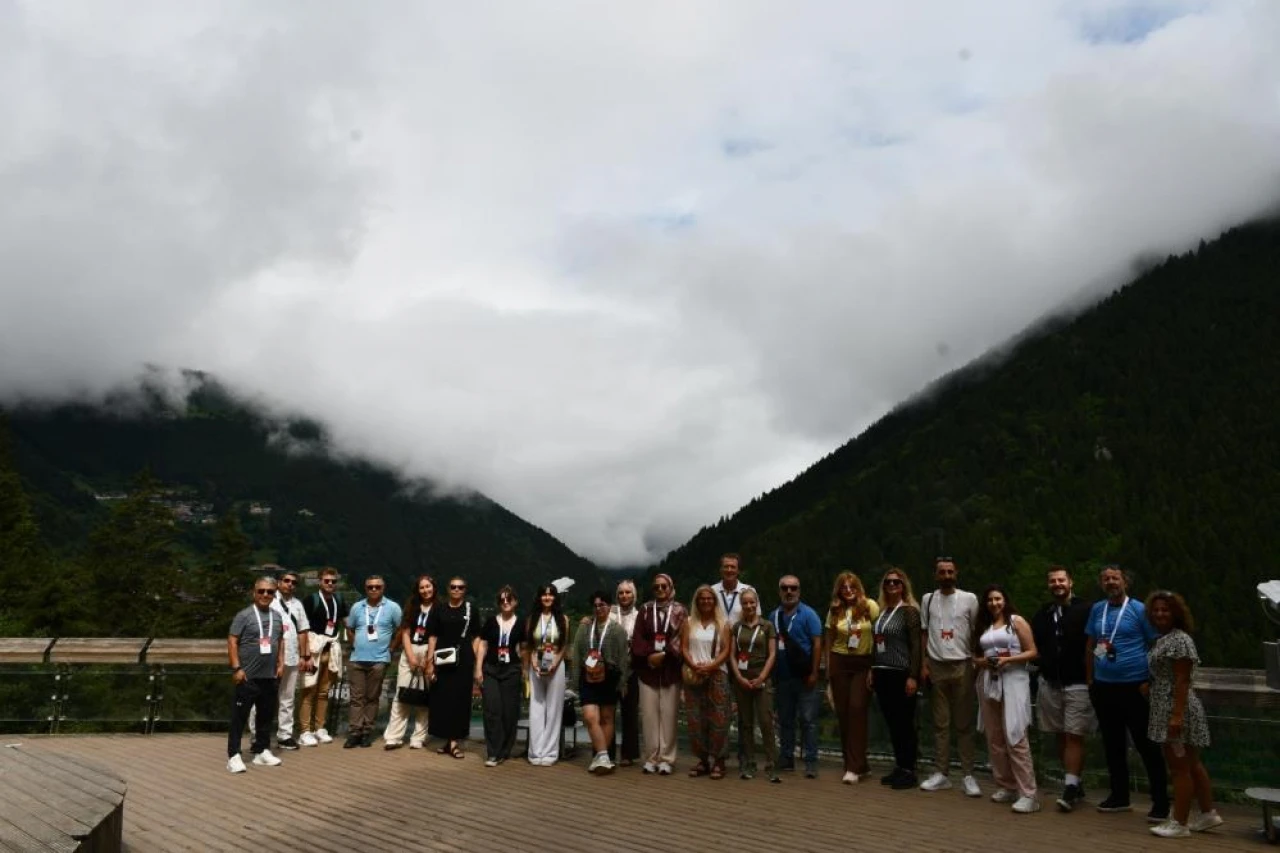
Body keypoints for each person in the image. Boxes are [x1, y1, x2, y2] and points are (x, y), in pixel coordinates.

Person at [1085, 565, 1170, 821]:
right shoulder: (1097, 609)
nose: (1111, 582)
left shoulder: (1138, 610)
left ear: (1125, 582)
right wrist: (1090, 679)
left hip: (1135, 686)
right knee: (1112, 744)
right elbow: (1093, 644)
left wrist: (1152, 680)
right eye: (1106, 579)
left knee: (1147, 745)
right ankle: (1119, 796)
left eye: (1115, 578)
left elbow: (1156, 643)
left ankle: (1161, 802)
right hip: (1104, 686)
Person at [1145, 591, 1223, 838]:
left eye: (1165, 610)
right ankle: (1208, 813)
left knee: (1179, 768)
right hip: (1168, 705)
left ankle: (1179, 822)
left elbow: (1182, 679)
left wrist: (1176, 717)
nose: (1159, 614)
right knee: (1192, 763)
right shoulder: (1165, 638)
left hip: (1175, 709)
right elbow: (1168, 674)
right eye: (1156, 610)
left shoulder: (1179, 640)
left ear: (1176, 612)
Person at [1030, 565, 1095, 811]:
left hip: (1077, 682)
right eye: (1052, 581)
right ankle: (1074, 782)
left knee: (1074, 734)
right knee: (1060, 733)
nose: (1057, 584)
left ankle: (1069, 788)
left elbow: (1096, 641)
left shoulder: (1086, 609)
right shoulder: (1044, 613)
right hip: (1051, 682)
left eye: (1061, 580)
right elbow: (1035, 643)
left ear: (1071, 582)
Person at [973, 584, 1040, 813]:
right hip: (989, 681)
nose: (994, 603)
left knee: (1015, 735)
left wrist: (1008, 660)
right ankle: (1006, 784)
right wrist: (986, 662)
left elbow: (1032, 651)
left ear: (1005, 600)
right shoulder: (984, 626)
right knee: (995, 737)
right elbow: (976, 657)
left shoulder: (1016, 621)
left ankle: (1028, 793)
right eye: (990, 599)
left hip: (1013, 680)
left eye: (998, 599)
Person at [919, 557, 981, 798]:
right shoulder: (928, 599)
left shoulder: (969, 599)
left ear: (957, 573)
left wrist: (975, 660)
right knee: (940, 724)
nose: (946, 576)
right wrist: (924, 662)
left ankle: (968, 775)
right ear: (936, 575)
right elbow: (925, 632)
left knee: (964, 724)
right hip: (936, 665)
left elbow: (976, 630)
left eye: (950, 572)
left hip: (963, 665)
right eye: (942, 572)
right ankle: (941, 773)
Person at [824, 571, 879, 784]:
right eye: (844, 587)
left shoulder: (870, 606)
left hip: (863, 662)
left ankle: (854, 767)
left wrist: (874, 666)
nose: (848, 591)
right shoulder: (834, 610)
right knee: (844, 713)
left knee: (857, 709)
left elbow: (879, 634)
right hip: (840, 661)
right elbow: (829, 640)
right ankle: (856, 764)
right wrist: (829, 672)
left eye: (852, 587)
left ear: (858, 588)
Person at [226, 577, 285, 773]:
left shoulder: (277, 616)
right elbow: (233, 640)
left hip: (269, 676)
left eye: (270, 592)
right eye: (261, 591)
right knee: (239, 718)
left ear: (274, 594)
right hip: (247, 675)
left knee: (266, 716)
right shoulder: (244, 616)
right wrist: (236, 668)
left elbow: (280, 640)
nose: (265, 595)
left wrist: (281, 663)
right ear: (254, 593)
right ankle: (233, 755)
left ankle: (262, 750)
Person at [870, 566, 922, 790]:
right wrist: (872, 670)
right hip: (882, 671)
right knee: (892, 722)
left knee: (905, 722)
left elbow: (916, 645)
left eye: (896, 582)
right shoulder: (881, 612)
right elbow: (876, 643)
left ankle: (910, 769)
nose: (891, 586)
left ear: (903, 586)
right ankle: (900, 765)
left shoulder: (909, 612)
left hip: (901, 672)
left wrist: (913, 676)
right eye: (888, 582)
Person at [631, 572, 687, 775]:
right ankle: (651, 757)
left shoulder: (680, 610)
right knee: (648, 716)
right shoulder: (645, 610)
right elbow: (637, 639)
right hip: (648, 672)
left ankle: (667, 758)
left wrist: (663, 654)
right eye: (657, 587)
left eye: (664, 586)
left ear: (671, 587)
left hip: (671, 670)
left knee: (670, 715)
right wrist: (649, 655)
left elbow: (682, 638)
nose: (661, 590)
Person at [572, 589, 631, 774]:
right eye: (595, 605)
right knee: (590, 718)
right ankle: (604, 756)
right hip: (588, 677)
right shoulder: (585, 627)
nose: (598, 609)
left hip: (610, 679)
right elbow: (576, 654)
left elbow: (623, 659)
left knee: (607, 718)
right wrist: (575, 682)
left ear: (609, 606)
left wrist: (623, 682)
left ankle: (600, 758)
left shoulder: (617, 630)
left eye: (602, 605)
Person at [770, 574, 823, 778]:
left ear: (799, 591)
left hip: (803, 676)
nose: (789, 592)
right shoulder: (773, 616)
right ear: (780, 591)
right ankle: (786, 758)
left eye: (793, 588)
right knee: (785, 720)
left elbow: (817, 644)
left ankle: (811, 761)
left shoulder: (809, 614)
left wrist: (814, 672)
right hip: (782, 676)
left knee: (808, 720)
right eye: (785, 588)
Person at [425, 576, 481, 758]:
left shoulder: (471, 609)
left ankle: (455, 742)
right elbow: (432, 636)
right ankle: (447, 740)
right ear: (448, 589)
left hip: (463, 660)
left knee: (460, 700)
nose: (457, 590)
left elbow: (477, 636)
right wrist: (429, 661)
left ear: (465, 589)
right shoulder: (438, 609)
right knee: (442, 699)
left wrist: (471, 654)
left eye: (461, 587)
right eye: (453, 587)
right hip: (442, 659)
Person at [681, 585, 733, 779]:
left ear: (715, 601)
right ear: (696, 601)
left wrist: (710, 666)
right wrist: (694, 665)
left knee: (719, 718)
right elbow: (684, 647)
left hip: (717, 674)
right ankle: (702, 759)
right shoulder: (688, 622)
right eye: (702, 598)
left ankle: (719, 760)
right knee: (696, 719)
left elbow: (726, 650)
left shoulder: (723, 623)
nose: (706, 601)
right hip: (694, 674)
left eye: (709, 598)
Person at [344, 575, 402, 748]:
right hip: (357, 659)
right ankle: (355, 732)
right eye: (370, 587)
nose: (374, 590)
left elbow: (401, 630)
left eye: (377, 587)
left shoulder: (393, 607)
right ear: (365, 588)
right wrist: (354, 644)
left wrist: (391, 649)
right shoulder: (357, 607)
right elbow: (350, 627)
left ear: (383, 588)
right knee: (356, 698)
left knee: (372, 697)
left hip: (379, 659)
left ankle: (367, 732)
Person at [255, 570, 309, 751]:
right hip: (269, 657)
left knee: (287, 698)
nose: (290, 584)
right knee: (262, 697)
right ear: (279, 582)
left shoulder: (298, 605)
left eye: (294, 582)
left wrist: (304, 655)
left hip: (292, 657)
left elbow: (303, 631)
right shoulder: (269, 599)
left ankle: (285, 735)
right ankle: (257, 736)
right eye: (286, 581)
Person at [730, 587, 778, 782]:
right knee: (746, 723)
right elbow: (733, 655)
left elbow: (773, 653)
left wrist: (763, 677)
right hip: (742, 678)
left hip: (762, 677)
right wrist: (739, 678)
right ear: (741, 605)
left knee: (766, 721)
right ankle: (749, 763)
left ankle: (771, 764)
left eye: (752, 602)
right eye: (745, 603)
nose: (749, 605)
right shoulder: (737, 627)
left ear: (757, 603)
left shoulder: (767, 626)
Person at [476, 585, 526, 767]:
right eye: (502, 600)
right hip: (491, 668)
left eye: (509, 599)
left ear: (515, 602)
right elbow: (482, 644)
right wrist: (478, 668)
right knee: (491, 710)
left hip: (511, 670)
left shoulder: (521, 623)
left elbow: (523, 649)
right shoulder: (491, 621)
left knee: (510, 712)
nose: (505, 602)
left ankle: (505, 750)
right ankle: (493, 752)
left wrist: (525, 670)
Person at [384, 575, 435, 750]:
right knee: (402, 694)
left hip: (429, 650)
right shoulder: (412, 606)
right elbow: (405, 632)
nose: (425, 590)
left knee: (424, 697)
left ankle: (419, 737)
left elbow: (438, 635)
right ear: (417, 590)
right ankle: (394, 736)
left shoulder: (440, 608)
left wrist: (429, 659)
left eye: (428, 586)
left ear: (433, 587)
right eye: (422, 587)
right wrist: (411, 656)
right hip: (410, 649)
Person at [298, 567, 348, 746]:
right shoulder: (311, 600)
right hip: (314, 649)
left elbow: (345, 622)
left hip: (331, 648)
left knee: (324, 692)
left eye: (333, 581)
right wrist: (304, 654)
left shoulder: (339, 601)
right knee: (308, 690)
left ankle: (320, 727)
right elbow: (302, 628)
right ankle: (305, 731)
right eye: (327, 581)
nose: (330, 584)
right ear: (320, 581)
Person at [524, 583, 570, 766]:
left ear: (555, 598)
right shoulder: (532, 619)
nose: (547, 598)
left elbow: (564, 645)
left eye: (551, 595)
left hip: (556, 666)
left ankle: (550, 752)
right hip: (536, 665)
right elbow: (529, 645)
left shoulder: (563, 619)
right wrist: (533, 662)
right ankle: (536, 752)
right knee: (536, 708)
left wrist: (555, 663)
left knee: (554, 709)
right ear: (539, 597)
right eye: (544, 595)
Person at [610, 579, 641, 767]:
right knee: (608, 711)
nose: (624, 596)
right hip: (611, 669)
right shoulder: (611, 615)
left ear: (634, 595)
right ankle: (608, 751)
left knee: (630, 712)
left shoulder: (641, 616)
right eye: (621, 593)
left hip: (631, 669)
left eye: (628, 592)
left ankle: (629, 753)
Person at [711, 553, 754, 626]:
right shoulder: (712, 591)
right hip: (717, 635)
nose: (729, 570)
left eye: (733, 567)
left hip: (740, 636)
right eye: (726, 567)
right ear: (721, 570)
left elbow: (756, 617)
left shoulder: (749, 590)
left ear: (738, 571)